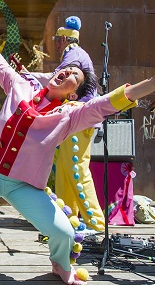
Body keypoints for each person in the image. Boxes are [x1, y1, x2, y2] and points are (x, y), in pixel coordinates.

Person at [0, 10, 155, 285]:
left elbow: (107, 103)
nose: (68, 71)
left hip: (21, 185)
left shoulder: (71, 114)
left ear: (73, 93)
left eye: (75, 74)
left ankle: (61, 266)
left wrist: (154, 83)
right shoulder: (20, 85)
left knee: (64, 233)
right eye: (67, 68)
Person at [24, 16, 105, 232]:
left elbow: (56, 81)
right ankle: (68, 220)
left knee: (77, 169)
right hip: (77, 117)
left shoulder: (73, 54)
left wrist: (27, 75)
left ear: (64, 39)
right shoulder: (76, 54)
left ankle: (96, 224)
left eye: (56, 40)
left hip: (79, 117)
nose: (55, 44)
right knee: (65, 169)